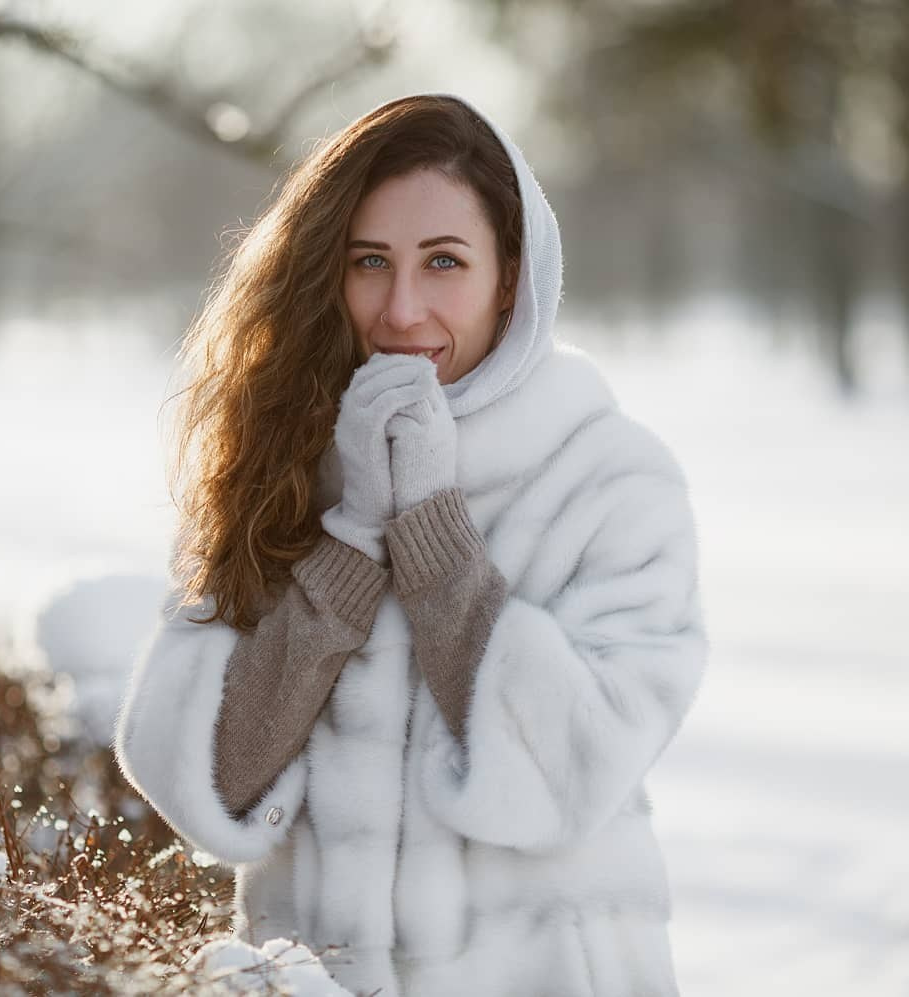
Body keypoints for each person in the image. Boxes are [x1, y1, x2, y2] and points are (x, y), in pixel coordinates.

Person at [114, 92, 708, 997]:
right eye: (369, 262)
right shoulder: (276, 465)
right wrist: (350, 537)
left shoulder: (610, 481)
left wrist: (431, 527)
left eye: (444, 262)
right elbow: (209, 770)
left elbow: (577, 767)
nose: (401, 309)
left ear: (511, 276)